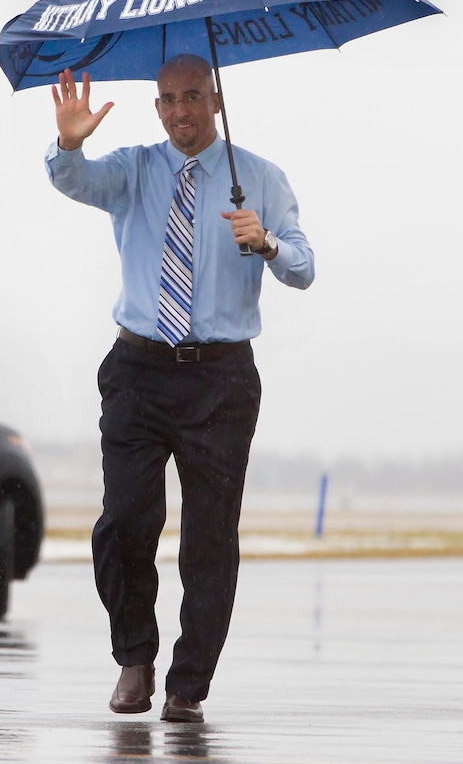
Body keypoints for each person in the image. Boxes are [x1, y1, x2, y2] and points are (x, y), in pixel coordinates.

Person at [46, 56, 314, 722]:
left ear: (215, 100)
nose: (180, 111)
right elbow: (74, 180)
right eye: (168, 100)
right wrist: (70, 143)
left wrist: (267, 243)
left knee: (209, 539)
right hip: (138, 369)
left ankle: (188, 684)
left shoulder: (259, 178)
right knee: (124, 521)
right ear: (157, 108)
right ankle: (135, 657)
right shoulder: (135, 169)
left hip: (220, 379)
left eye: (192, 97)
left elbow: (304, 267)